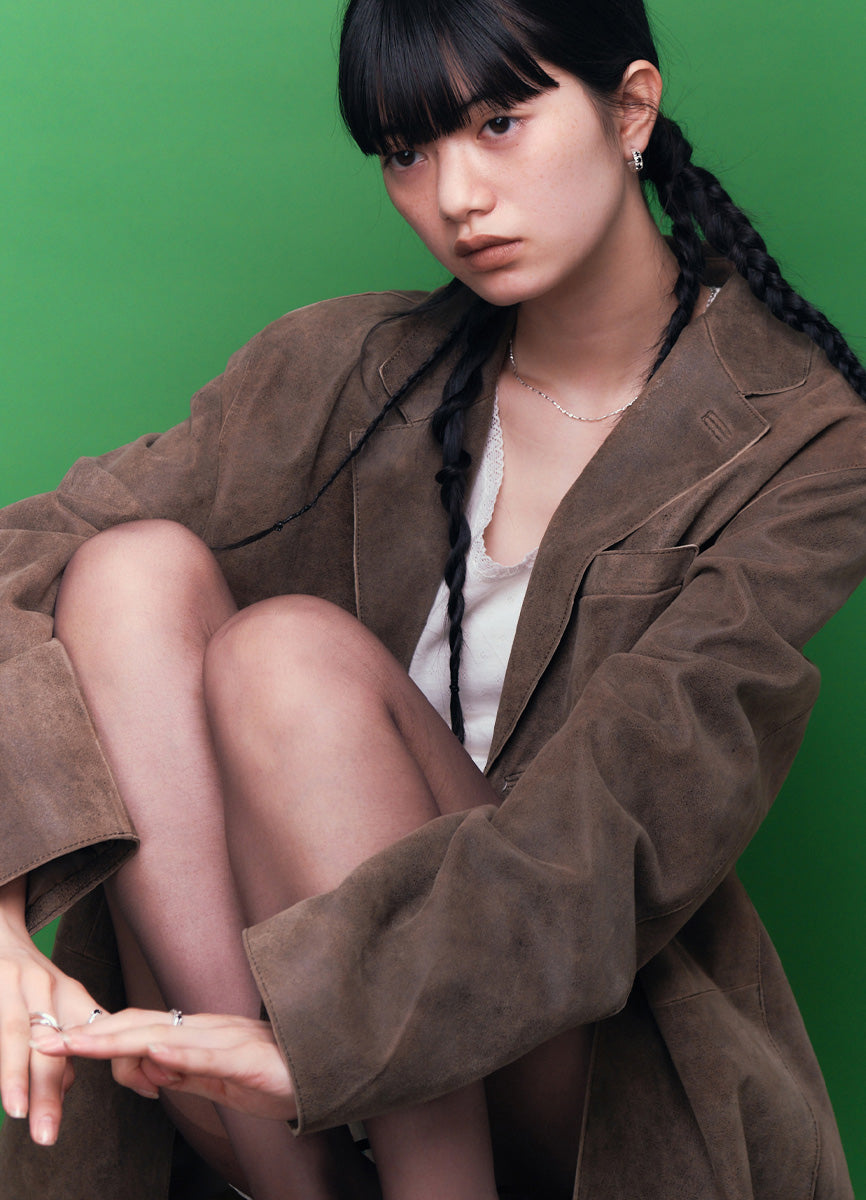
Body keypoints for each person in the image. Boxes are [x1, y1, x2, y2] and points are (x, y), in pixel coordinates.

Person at [0, 0, 862, 1196]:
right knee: (127, 573)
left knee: (284, 659)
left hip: (568, 1051)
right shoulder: (342, 371)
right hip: (254, 1074)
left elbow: (630, 817)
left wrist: (334, 1037)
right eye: (406, 153)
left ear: (628, 110)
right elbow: (20, 556)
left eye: (499, 123)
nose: (454, 197)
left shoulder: (803, 439)